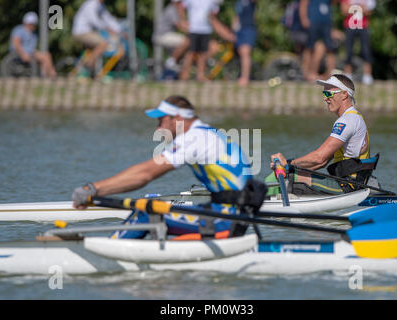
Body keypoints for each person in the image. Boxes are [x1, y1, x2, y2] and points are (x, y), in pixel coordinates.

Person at [72, 95, 264, 239]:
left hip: (224, 220)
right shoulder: (206, 133)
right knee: (152, 201)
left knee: (147, 210)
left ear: (178, 118)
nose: (157, 129)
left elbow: (145, 175)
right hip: (230, 214)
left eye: (161, 120)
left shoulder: (195, 138)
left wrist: (95, 189)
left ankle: (111, 251)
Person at [266, 73, 379, 195]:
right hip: (349, 183)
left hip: (348, 187)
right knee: (287, 172)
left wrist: (287, 164)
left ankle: (261, 208)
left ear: (344, 94)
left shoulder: (347, 121)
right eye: (324, 94)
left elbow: (319, 158)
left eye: (329, 93)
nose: (325, 98)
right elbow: (321, 163)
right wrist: (288, 166)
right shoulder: (354, 118)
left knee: (276, 178)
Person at [178, 0, 235, 82]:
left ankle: (200, 75)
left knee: (203, 53)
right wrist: (183, 20)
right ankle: (185, 75)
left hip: (206, 29)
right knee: (191, 52)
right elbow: (181, 6)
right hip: (193, 28)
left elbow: (214, 12)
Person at [72, 0, 123, 70]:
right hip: (82, 33)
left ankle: (83, 72)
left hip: (87, 32)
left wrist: (119, 30)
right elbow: (94, 20)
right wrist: (108, 29)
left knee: (95, 53)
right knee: (103, 44)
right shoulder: (91, 4)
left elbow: (108, 19)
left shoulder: (101, 6)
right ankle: (88, 64)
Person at [10, 12, 57, 78]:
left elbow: (32, 48)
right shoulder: (19, 30)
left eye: (33, 24)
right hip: (20, 53)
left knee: (46, 56)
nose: (32, 26)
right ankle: (53, 75)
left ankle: (47, 74)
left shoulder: (33, 34)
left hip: (30, 53)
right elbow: (16, 44)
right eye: (31, 24)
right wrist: (22, 54)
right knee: (45, 56)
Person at [299, 0, 336, 81]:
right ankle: (308, 73)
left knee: (330, 49)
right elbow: (303, 4)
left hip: (326, 23)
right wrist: (304, 18)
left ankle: (330, 74)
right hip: (313, 22)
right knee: (310, 48)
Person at [341, 0, 375, 85]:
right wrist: (360, 8)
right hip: (349, 25)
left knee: (366, 50)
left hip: (363, 25)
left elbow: (369, 11)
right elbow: (344, 11)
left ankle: (367, 75)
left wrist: (353, 8)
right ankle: (348, 74)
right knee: (348, 51)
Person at [152, 0, 190, 73]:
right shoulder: (171, 10)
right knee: (186, 41)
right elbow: (180, 25)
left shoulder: (175, 9)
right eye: (180, 2)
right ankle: (170, 62)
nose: (182, 4)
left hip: (166, 35)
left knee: (184, 49)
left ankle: (176, 67)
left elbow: (183, 23)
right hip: (162, 36)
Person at [232, 0, 257, 87]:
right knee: (241, 53)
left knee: (245, 52)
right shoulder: (239, 2)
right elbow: (237, 15)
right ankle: (242, 76)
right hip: (240, 30)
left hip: (249, 28)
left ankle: (245, 78)